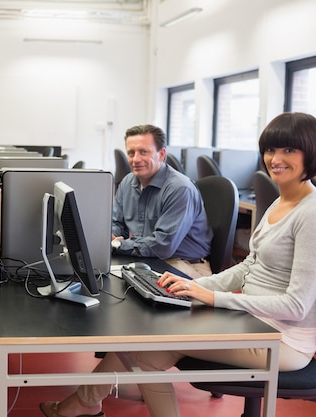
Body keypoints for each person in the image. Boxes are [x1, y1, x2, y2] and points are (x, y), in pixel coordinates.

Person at [40, 112, 316, 417]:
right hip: (254, 321)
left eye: (289, 150)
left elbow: (296, 306)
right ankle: (84, 403)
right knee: (146, 351)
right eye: (270, 150)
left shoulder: (310, 214)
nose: (276, 159)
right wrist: (196, 286)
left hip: (282, 341)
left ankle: (82, 404)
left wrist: (213, 298)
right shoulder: (281, 202)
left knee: (147, 341)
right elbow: (249, 265)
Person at [111, 124, 213, 278]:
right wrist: (112, 236)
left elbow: (162, 246)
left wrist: (117, 245)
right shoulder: (127, 182)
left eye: (144, 152)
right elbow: (116, 222)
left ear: (161, 154)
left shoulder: (180, 188)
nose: (136, 159)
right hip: (148, 258)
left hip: (183, 265)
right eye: (131, 153)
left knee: (134, 298)